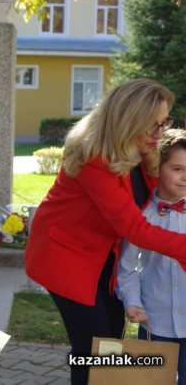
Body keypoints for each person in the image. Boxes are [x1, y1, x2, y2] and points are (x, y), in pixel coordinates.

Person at [24, 78, 186, 385]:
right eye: (151, 125)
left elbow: (162, 190)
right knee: (94, 346)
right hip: (66, 256)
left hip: (102, 254)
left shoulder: (144, 150)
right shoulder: (94, 157)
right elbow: (133, 227)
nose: (159, 133)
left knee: (112, 335)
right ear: (128, 121)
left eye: (163, 123)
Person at [116, 128, 186, 385]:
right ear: (157, 169)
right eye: (177, 169)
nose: (185, 176)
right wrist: (132, 302)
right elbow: (126, 269)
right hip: (155, 324)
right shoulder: (141, 218)